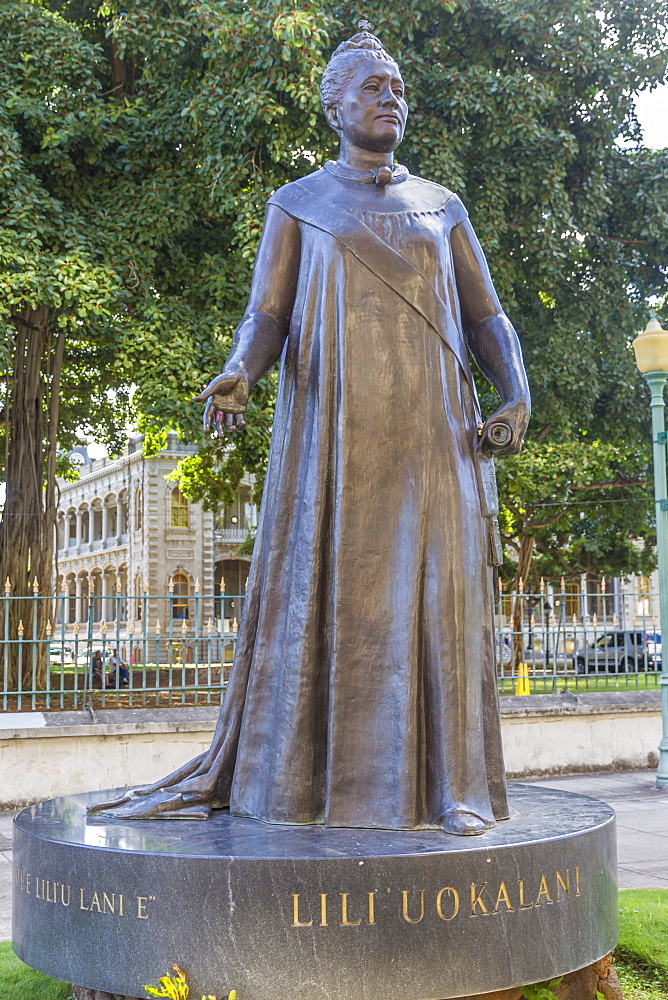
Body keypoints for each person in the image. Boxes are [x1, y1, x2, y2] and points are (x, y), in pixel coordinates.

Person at [89, 26, 530, 835]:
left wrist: (518, 392)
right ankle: (307, 787)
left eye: (396, 86)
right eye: (372, 86)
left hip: (436, 432)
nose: (389, 97)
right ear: (334, 105)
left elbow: (487, 315)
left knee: (442, 603)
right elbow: (267, 313)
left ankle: (452, 790)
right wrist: (239, 371)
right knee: (336, 601)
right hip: (339, 437)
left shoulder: (443, 206)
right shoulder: (298, 203)